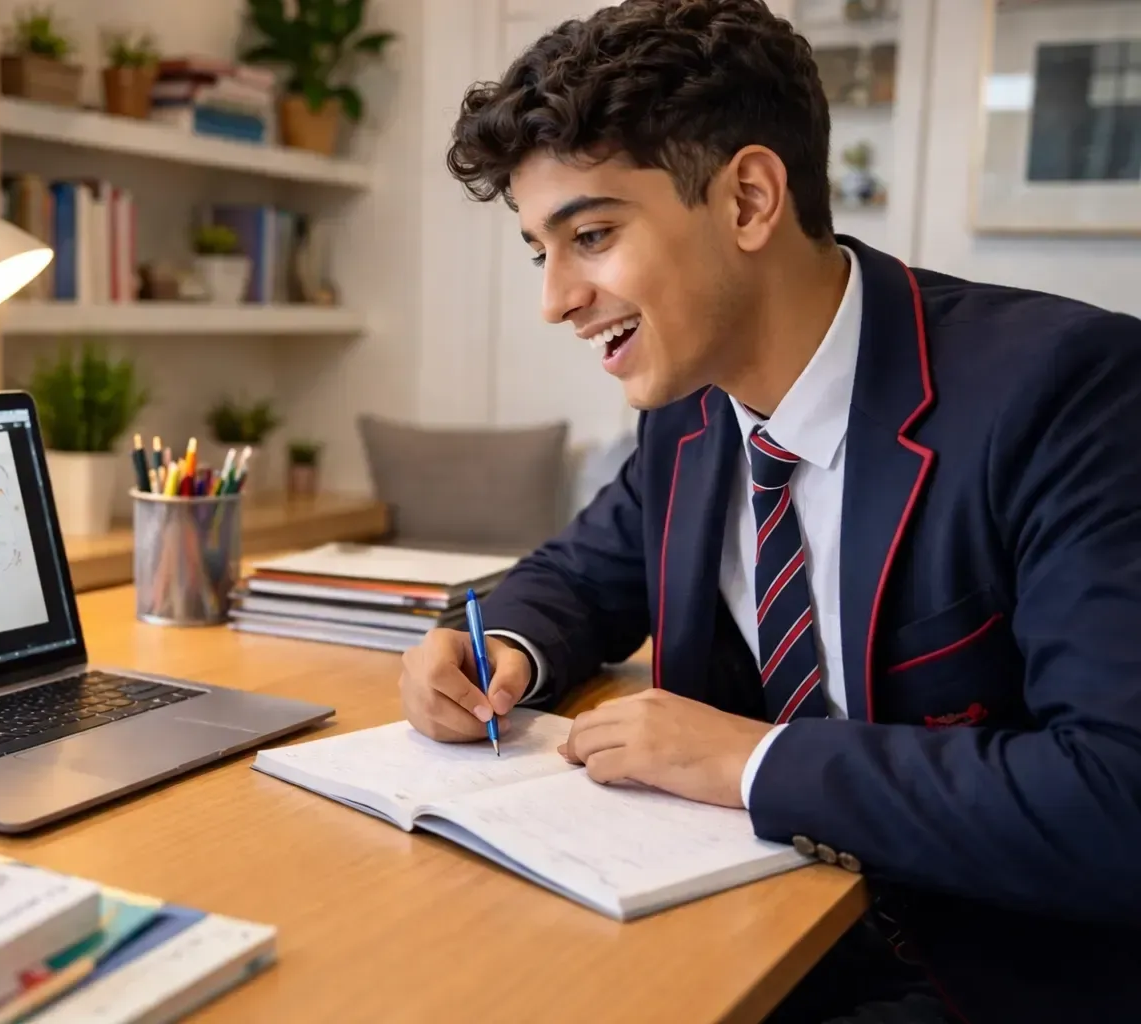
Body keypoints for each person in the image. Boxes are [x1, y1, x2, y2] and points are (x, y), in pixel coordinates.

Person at [397, 2, 1141, 1022]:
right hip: (744, 932)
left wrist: (747, 758)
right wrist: (491, 645)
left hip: (982, 976)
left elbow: (1117, 797)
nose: (557, 299)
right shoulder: (690, 414)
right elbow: (579, 575)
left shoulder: (1065, 390)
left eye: (594, 236)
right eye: (541, 251)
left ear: (749, 198)